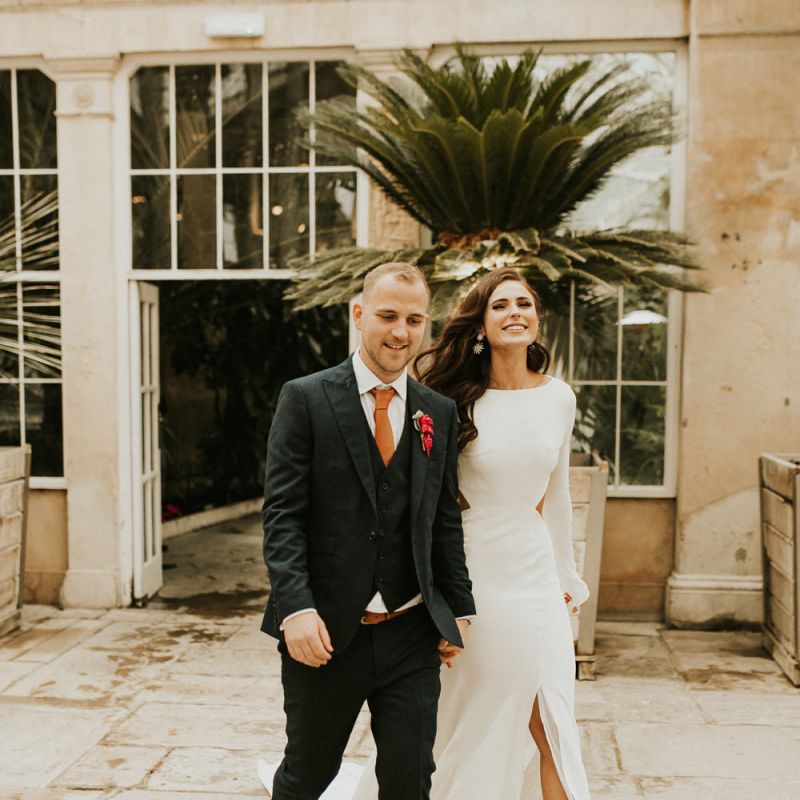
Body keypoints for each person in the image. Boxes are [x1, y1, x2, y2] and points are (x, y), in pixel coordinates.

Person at [350, 267, 592, 799]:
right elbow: (421, 497)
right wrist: (426, 588)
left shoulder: (559, 398)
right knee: (476, 710)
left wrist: (566, 574)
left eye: (524, 303)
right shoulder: (447, 399)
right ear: (480, 324)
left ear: (536, 318)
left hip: (534, 572)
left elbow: (556, 494)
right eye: (501, 305)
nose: (515, 314)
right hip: (474, 571)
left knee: (551, 713)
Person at [260, 261, 476, 800]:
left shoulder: (438, 413)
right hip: (326, 630)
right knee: (307, 775)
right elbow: (282, 514)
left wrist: (458, 609)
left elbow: (443, 520)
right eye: (387, 316)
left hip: (410, 629)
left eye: (414, 319)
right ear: (359, 314)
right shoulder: (305, 398)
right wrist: (296, 609)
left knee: (409, 781)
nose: (401, 332)